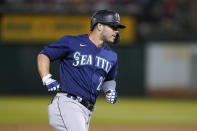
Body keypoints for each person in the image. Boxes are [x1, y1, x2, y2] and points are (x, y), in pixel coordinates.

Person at [37, 9, 126, 131]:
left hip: (86, 110)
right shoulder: (72, 42)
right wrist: (46, 77)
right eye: (113, 26)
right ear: (99, 26)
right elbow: (44, 55)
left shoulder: (112, 56)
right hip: (67, 104)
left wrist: (110, 90)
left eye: (117, 28)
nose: (116, 31)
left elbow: (109, 79)